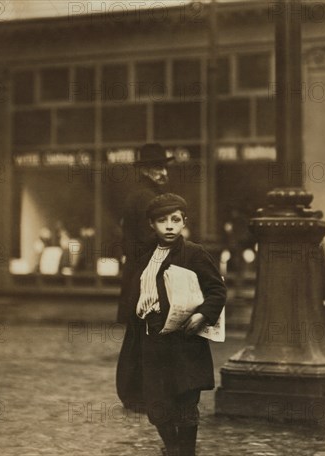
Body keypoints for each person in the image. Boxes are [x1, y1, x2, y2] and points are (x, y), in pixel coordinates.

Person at [118, 193, 226, 456]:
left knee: (186, 403)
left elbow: (217, 290)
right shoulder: (144, 257)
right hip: (152, 342)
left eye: (175, 220)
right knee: (156, 405)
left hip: (185, 343)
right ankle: (174, 447)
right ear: (151, 225)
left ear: (183, 222)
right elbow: (136, 290)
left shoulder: (194, 254)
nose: (169, 226)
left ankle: (185, 452)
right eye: (162, 220)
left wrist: (202, 315)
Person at [116, 143, 173, 410]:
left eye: (163, 167)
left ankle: (132, 393)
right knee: (144, 335)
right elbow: (151, 239)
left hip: (138, 274)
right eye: (157, 168)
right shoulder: (148, 199)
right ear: (147, 171)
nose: (163, 173)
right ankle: (136, 395)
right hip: (146, 275)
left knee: (138, 335)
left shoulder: (138, 195)